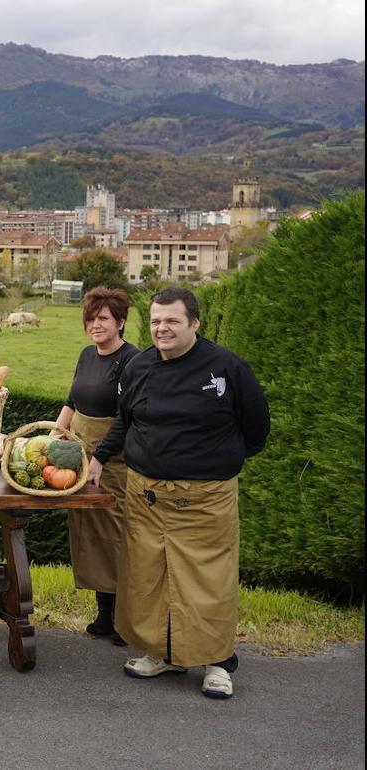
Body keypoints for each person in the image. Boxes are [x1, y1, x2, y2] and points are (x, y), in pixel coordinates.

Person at [88, 287, 269, 700]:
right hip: (146, 496)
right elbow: (125, 420)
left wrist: (211, 461)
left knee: (208, 582)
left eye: (172, 321)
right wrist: (99, 457)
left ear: (194, 323)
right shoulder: (139, 367)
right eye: (155, 321)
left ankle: (219, 662)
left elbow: (256, 429)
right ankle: (161, 653)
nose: (162, 328)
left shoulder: (226, 368)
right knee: (149, 578)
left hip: (205, 500)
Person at [53, 287, 139, 645]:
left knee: (116, 536)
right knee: (88, 534)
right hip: (79, 455)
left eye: (103, 318)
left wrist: (101, 457)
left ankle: (124, 617)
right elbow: (72, 401)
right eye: (91, 318)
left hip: (114, 461)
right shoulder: (87, 355)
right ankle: (103, 613)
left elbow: (126, 417)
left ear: (120, 321)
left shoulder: (132, 360)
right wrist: (53, 436)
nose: (95, 325)